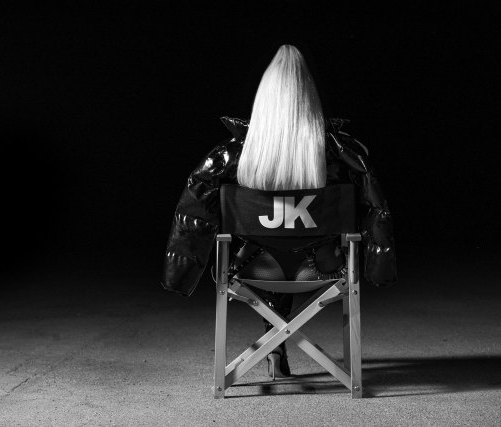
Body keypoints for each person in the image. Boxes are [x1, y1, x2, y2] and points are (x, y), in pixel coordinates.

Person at [161, 45, 396, 379]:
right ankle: (285, 345)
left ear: (264, 99)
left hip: (253, 268)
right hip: (319, 269)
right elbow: (375, 208)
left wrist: (180, 274)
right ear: (309, 99)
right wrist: (378, 268)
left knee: (267, 245)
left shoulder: (232, 154)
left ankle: (274, 344)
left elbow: (194, 211)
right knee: (299, 244)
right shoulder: (342, 152)